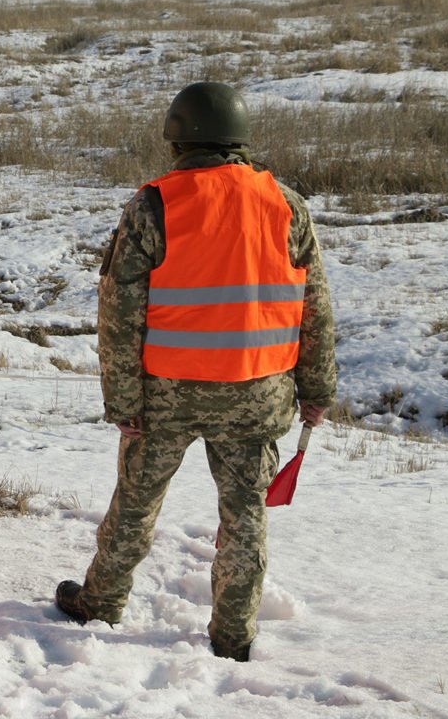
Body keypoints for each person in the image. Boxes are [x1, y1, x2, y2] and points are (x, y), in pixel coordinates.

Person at [53, 82, 336, 662]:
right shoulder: (286, 203)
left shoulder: (154, 204)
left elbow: (119, 312)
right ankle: (233, 637)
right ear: (239, 137)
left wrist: (122, 401)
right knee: (245, 517)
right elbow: (315, 307)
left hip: (165, 397)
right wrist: (316, 390)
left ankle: (101, 603)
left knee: (135, 503)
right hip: (258, 394)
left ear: (177, 137)